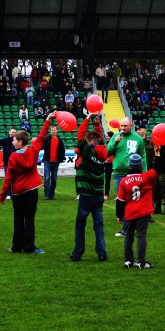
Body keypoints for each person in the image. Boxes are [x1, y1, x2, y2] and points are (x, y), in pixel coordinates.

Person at [0, 115, 51, 254]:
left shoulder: (14, 157)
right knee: (29, 219)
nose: (12, 141)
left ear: (20, 142)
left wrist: (3, 195)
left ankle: (16, 247)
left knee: (18, 219)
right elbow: (41, 137)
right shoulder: (33, 151)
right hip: (32, 190)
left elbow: (8, 178)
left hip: (17, 192)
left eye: (14, 139)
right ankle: (29, 247)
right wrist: (47, 121)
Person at [70, 112, 109, 262]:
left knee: (80, 225)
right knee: (98, 225)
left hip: (86, 195)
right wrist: (97, 122)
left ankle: (77, 254)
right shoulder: (103, 152)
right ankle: (102, 253)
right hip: (98, 195)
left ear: (89, 141)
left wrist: (87, 118)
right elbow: (97, 136)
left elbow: (80, 135)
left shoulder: (87, 152)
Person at [117, 153, 158, 269]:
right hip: (143, 212)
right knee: (141, 236)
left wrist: (119, 215)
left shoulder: (124, 181)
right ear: (141, 165)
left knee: (128, 237)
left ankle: (128, 261)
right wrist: (158, 154)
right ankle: (141, 262)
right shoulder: (147, 177)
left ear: (129, 165)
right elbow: (158, 168)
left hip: (130, 213)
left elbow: (120, 201)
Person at [106, 118, 145, 237]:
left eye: (125, 126)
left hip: (133, 174)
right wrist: (115, 142)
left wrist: (144, 173)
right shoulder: (115, 137)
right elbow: (107, 152)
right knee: (122, 200)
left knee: (133, 200)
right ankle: (126, 228)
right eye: (121, 126)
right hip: (118, 173)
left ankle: (132, 227)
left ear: (131, 126)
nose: (122, 128)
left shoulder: (138, 139)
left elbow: (143, 156)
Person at [40, 124, 66, 201]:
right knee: (47, 178)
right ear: (50, 131)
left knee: (54, 179)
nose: (53, 131)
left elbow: (62, 150)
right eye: (52, 130)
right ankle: (47, 195)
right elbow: (41, 147)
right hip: (47, 161)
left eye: (54, 130)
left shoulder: (60, 140)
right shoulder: (46, 139)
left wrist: (60, 159)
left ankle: (52, 195)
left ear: (56, 131)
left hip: (56, 162)